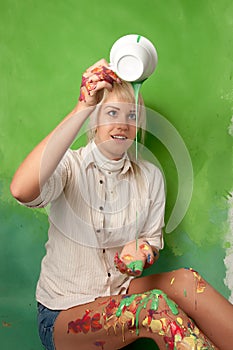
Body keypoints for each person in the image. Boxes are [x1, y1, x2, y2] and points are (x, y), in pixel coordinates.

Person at [10, 59, 233, 350]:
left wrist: (143, 251)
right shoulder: (70, 167)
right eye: (111, 113)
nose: (122, 124)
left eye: (131, 115)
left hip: (119, 295)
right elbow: (20, 190)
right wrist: (81, 107)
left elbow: (151, 240)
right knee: (155, 308)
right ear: (94, 119)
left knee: (187, 283)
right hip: (63, 316)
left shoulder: (150, 176)